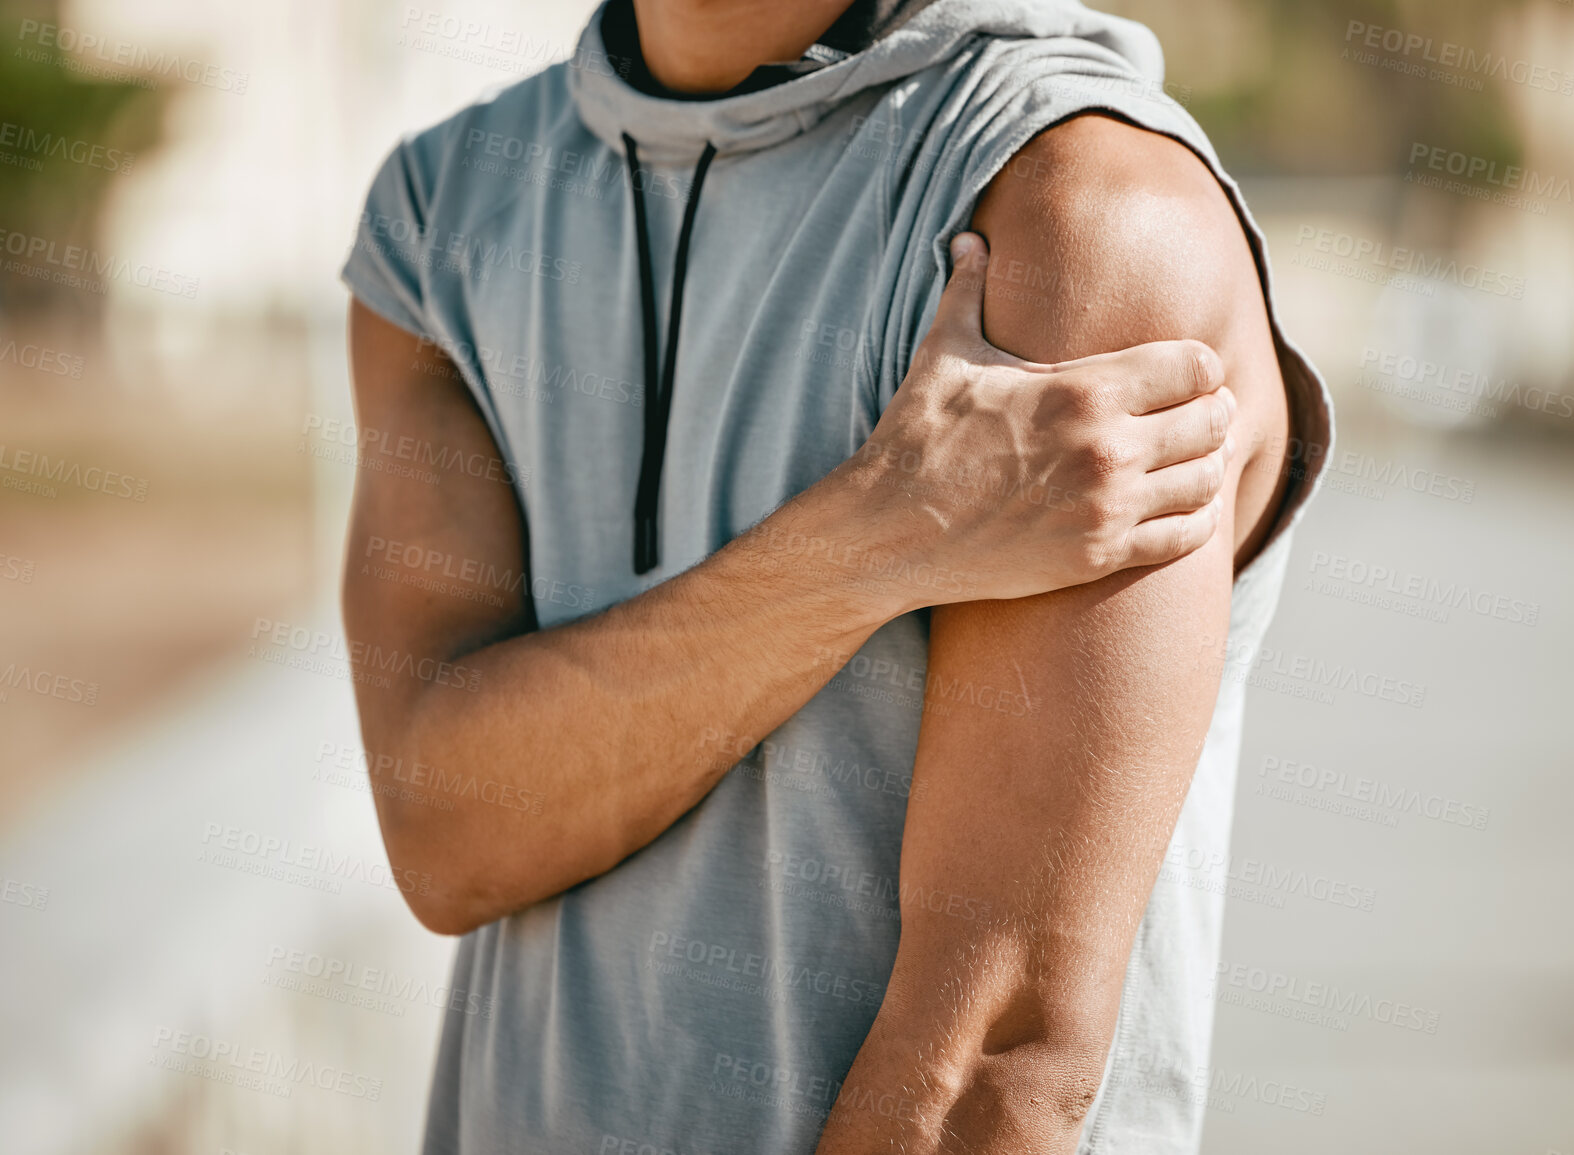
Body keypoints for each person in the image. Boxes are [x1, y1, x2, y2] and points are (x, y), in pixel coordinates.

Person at [338, 0, 1333, 1151]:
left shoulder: (1078, 210)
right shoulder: (441, 211)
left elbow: (988, 1065)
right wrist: (874, 536)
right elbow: (448, 837)